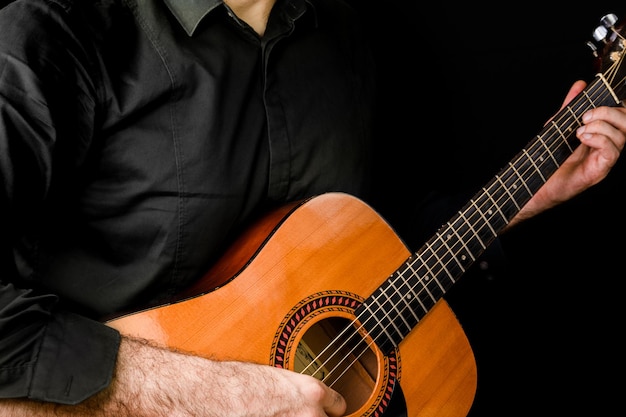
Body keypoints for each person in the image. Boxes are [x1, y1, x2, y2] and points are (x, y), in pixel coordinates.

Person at [0, 0, 624, 416]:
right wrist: (214, 393)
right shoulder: (56, 33)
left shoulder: (345, 36)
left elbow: (372, 243)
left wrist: (520, 200)